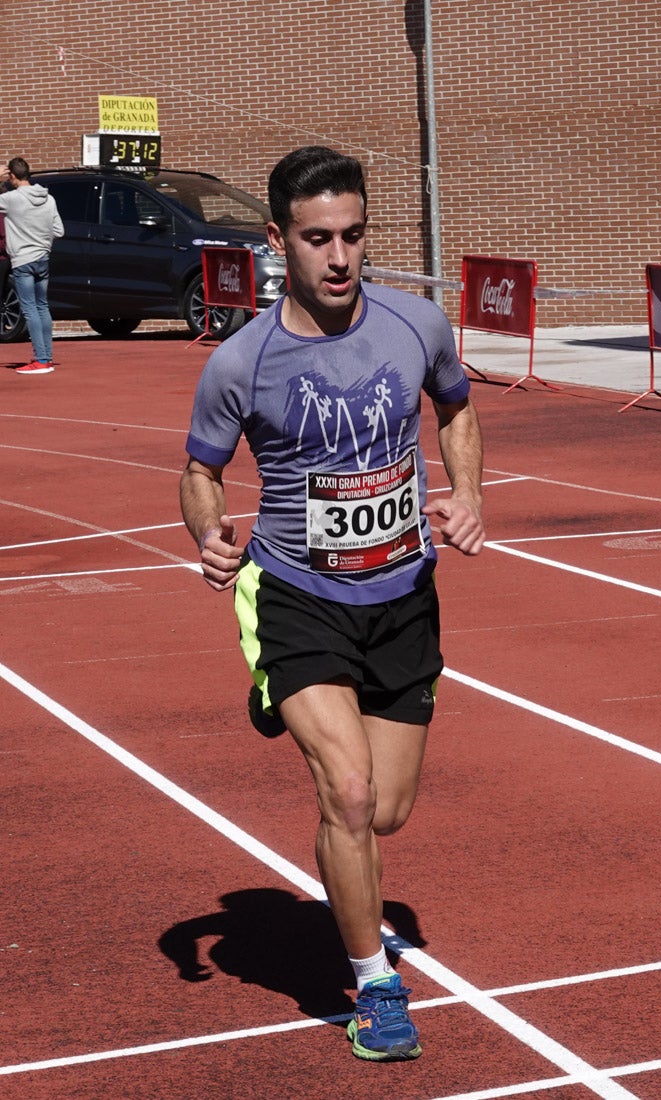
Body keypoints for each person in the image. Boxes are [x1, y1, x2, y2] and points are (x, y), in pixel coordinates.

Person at [179, 146, 485, 1061]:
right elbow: (201, 470)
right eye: (318, 239)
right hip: (298, 595)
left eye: (354, 235)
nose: (341, 257)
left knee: (388, 810)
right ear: (279, 242)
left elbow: (457, 408)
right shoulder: (242, 361)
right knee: (346, 794)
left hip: (402, 595)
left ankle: (301, 705)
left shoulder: (416, 324)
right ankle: (377, 989)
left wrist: (467, 492)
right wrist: (209, 534)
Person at [0, 157, 64, 374]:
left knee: (30, 310)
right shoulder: (49, 198)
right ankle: (46, 356)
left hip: (23, 260)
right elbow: (59, 231)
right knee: (42, 306)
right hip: (43, 258)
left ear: (12, 176)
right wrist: (43, 243)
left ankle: (42, 360)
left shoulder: (11, 199)